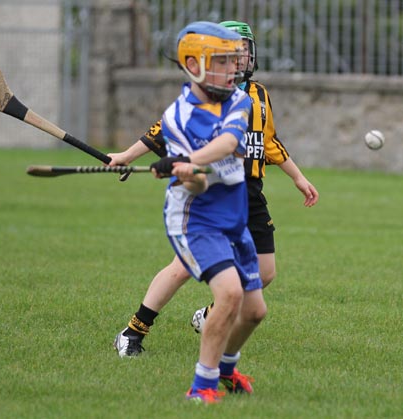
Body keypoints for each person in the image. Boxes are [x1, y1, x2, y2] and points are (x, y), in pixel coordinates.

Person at [111, 19, 319, 358]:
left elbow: (268, 142)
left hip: (249, 194)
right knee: (183, 267)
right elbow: (160, 131)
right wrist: (125, 156)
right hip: (209, 190)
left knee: (265, 273)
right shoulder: (208, 97)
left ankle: (207, 316)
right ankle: (133, 331)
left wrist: (297, 177)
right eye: (227, 56)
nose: (237, 62)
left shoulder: (259, 95)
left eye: (241, 53)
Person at [117, 20, 263, 404]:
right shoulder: (177, 118)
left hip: (234, 216)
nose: (234, 69)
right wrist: (188, 173)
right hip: (195, 218)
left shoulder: (239, 100)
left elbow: (230, 141)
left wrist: (188, 160)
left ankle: (228, 371)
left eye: (234, 61)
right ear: (195, 65)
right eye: (223, 61)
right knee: (229, 295)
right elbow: (196, 187)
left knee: (254, 312)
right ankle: (202, 388)